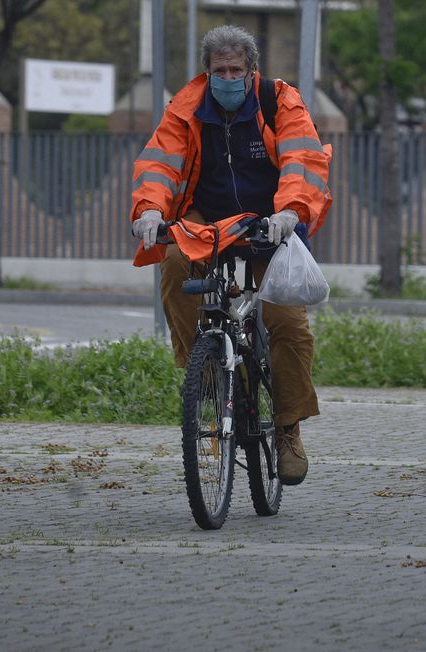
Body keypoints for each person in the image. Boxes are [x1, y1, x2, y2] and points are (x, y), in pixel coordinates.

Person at [130, 25, 332, 485]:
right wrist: (149, 210)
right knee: (176, 263)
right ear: (206, 72)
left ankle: (287, 428)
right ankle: (202, 367)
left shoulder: (278, 101)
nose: (226, 77)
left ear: (251, 71)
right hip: (206, 220)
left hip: (268, 222)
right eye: (218, 69)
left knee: (288, 326)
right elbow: (161, 162)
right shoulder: (186, 109)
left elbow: (303, 159)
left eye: (234, 70)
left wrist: (289, 211)